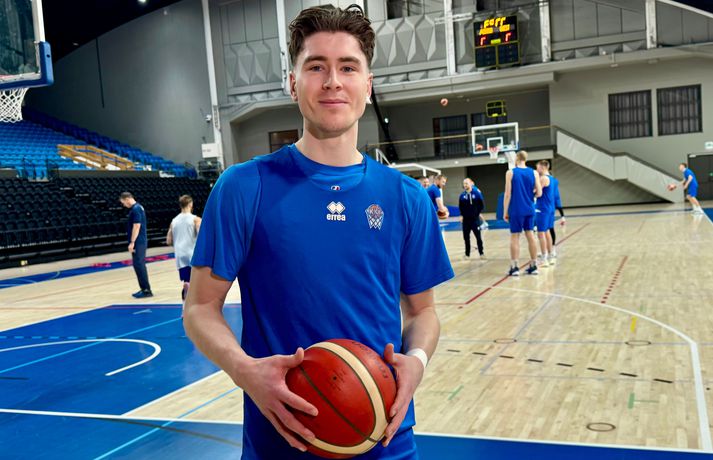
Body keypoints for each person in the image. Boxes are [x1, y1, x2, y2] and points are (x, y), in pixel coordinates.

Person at [183, 5, 454, 459]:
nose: (332, 81)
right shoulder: (244, 187)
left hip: (385, 439)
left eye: (348, 67)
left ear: (368, 84)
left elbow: (422, 312)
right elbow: (200, 308)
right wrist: (244, 370)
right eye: (316, 67)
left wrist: (418, 361)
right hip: (279, 442)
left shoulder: (407, 197)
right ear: (292, 83)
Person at [503, 151, 542, 276]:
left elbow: (507, 194)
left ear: (517, 158)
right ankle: (534, 265)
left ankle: (514, 267)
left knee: (515, 237)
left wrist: (505, 211)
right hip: (529, 209)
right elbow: (539, 193)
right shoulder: (534, 173)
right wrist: (529, 195)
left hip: (516, 209)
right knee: (531, 236)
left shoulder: (511, 172)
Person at [166, 195, 202, 301]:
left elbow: (168, 241)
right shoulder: (196, 219)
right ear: (191, 204)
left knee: (187, 279)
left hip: (180, 255)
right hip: (192, 254)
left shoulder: (174, 221)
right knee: (197, 281)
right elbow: (202, 237)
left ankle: (185, 304)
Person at [119, 192, 152, 298]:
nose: (124, 205)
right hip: (140, 241)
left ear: (127, 199)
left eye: (123, 202)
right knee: (138, 264)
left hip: (138, 241)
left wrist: (132, 242)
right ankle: (144, 288)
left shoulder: (136, 209)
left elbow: (137, 226)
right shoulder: (138, 207)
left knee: (139, 264)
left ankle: (146, 290)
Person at [458, 178, 485, 259]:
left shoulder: (476, 193)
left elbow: (481, 205)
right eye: (464, 183)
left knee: (478, 237)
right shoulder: (462, 196)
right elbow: (461, 207)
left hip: (475, 220)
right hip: (466, 221)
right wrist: (462, 215)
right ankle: (467, 254)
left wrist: (476, 213)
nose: (465, 185)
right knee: (466, 238)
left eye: (466, 183)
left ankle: (481, 253)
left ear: (471, 184)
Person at [535, 161, 555, 266]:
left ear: (543, 167)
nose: (536, 169)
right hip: (549, 208)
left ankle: (544, 258)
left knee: (541, 233)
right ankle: (550, 255)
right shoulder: (551, 177)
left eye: (537, 167)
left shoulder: (543, 178)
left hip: (542, 208)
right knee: (547, 232)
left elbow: (537, 193)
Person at [548, 172, 565, 254]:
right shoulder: (554, 180)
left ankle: (549, 249)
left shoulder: (547, 180)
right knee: (550, 227)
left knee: (547, 228)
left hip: (548, 204)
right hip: (552, 204)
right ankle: (552, 247)